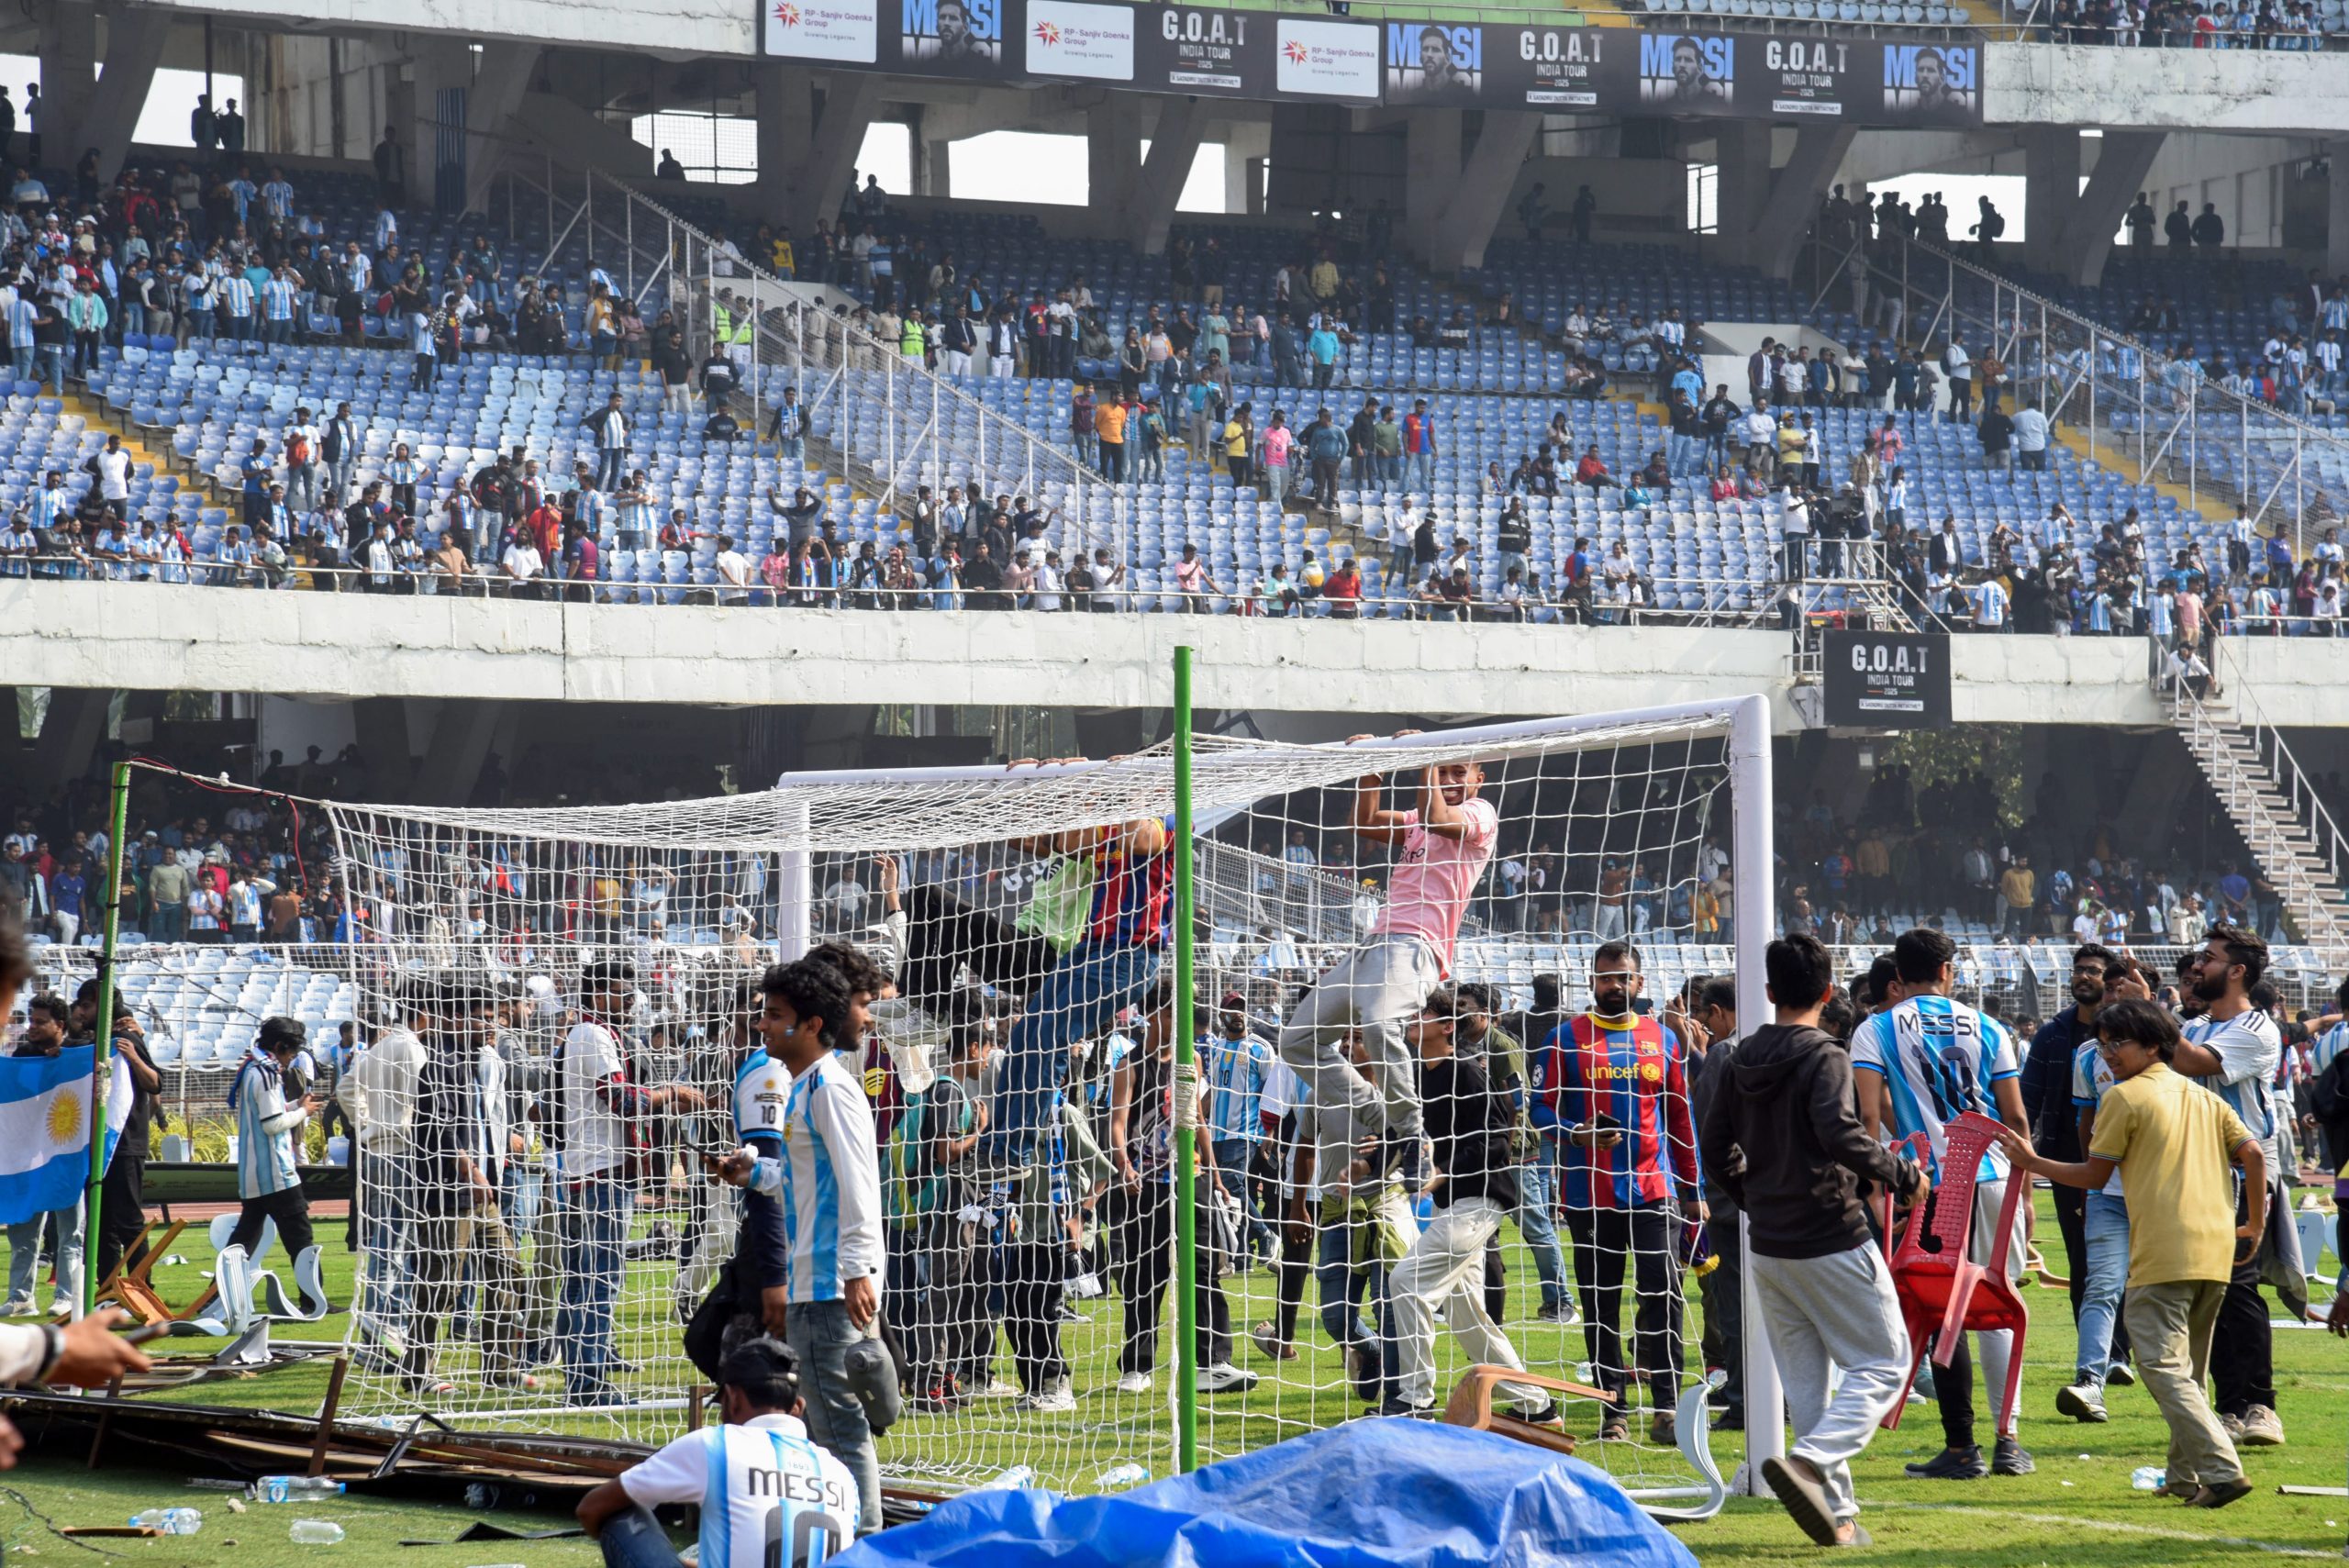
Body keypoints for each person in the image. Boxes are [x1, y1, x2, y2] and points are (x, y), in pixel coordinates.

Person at [1699, 934, 1928, 1550]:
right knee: (1886, 1363)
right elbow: (1840, 1134)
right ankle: (1810, 1461)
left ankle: (1839, 1514)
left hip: (1768, 1243)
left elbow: (1713, 1145)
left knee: (1806, 1385)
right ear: (1828, 991)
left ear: (1769, 990)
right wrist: (1903, 1174)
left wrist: (1752, 1196)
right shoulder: (1825, 1053)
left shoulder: (1738, 1056)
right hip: (1829, 1231)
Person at [1996, 999, 2266, 1510]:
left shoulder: (2123, 1097)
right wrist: (2253, 1223)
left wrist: (2032, 1162)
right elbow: (2253, 1154)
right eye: (2103, 1045)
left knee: (2161, 1367)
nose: (2108, 1054)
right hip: (2215, 1251)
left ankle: (2222, 1471)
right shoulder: (2204, 1097)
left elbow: (2095, 1176)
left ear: (2153, 1045)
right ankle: (2184, 1477)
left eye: (2118, 1043)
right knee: (2188, 1373)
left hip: (2163, 1251)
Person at [1849, 927, 2035, 1479]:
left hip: (1928, 1185)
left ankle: (1961, 1446)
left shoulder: (1876, 1028)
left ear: (1898, 976)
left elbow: (1868, 1116)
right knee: (1998, 1304)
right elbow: (2015, 1118)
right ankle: (2009, 1441)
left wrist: (1876, 1189)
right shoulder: (1990, 1027)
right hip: (1993, 1176)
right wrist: (2025, 1195)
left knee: (1939, 1306)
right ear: (1948, 971)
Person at [1277, 740, 1495, 1203]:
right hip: (1372, 944)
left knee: (1378, 1026)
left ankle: (1412, 1135)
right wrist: (1373, 766)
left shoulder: (1480, 814)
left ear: (1479, 780)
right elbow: (1365, 822)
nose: (1450, 779)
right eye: (1444, 771)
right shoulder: (1419, 819)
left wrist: (1424, 756)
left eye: (1459, 772)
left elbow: (1436, 817)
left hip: (1414, 947)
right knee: (1296, 1040)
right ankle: (1388, 1123)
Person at [716, 958, 885, 1535]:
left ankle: (862, 1545)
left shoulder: (831, 1089)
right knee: (828, 1424)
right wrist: (753, 1173)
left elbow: (859, 1183)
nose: (762, 1025)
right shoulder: (805, 1087)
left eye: (775, 1015)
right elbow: (802, 1178)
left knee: (840, 1426)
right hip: (816, 1279)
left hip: (831, 1285)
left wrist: (857, 1270)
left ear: (811, 1025)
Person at [1531, 940, 1698, 1442]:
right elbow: (1538, 1108)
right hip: (1589, 1195)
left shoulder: (1662, 1038)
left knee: (1663, 1292)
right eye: (1606, 977)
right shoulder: (1564, 1038)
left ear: (1639, 982)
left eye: (1623, 977)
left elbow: (1680, 1118)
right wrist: (1576, 1133)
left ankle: (1666, 1405)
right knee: (1600, 1304)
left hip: (1653, 1189)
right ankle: (1614, 1412)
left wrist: (1693, 1189)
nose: (1614, 986)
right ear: (1592, 982)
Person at [1383, 988, 1557, 1421]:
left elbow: (1497, 1140)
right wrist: (1367, 1164)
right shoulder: (1417, 1074)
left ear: (1447, 1027)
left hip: (1479, 1202)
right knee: (1468, 1318)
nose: (1413, 1018)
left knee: (1406, 1281)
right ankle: (1537, 1406)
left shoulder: (1467, 1072)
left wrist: (1443, 1172)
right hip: (1452, 1205)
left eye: (1423, 1013)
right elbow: (1402, 1131)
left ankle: (1416, 1399)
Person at [974, 814, 1173, 1176]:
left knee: (1051, 1038)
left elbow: (1140, 839)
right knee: (1024, 1036)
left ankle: (1015, 1153)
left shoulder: (1168, 818)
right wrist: (1072, 797)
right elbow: (1063, 842)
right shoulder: (1107, 823)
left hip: (1130, 955)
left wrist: (1122, 796)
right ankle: (996, 1146)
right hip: (1089, 948)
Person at [557, 959, 705, 1407]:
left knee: (583, 1280)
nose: (630, 1002)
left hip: (590, 1169)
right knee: (600, 1280)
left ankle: (581, 1375)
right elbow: (620, 1099)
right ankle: (588, 1383)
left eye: (631, 993)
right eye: (622, 994)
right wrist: (672, 1094)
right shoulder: (594, 1034)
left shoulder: (590, 1033)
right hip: (600, 1172)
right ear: (598, 994)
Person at [576, 1335, 860, 1568]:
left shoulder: (716, 1444)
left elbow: (591, 1509)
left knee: (619, 1512)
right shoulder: (842, 1475)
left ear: (732, 1398)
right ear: (798, 1407)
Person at [1105, 978, 1257, 1397]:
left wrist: (1216, 1176)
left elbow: (1196, 1120)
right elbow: (1117, 1123)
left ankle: (1213, 1361)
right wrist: (1124, 1164)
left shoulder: (1192, 1060)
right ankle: (1137, 1365)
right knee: (1145, 1276)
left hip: (1192, 1180)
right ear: (1154, 1015)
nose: (1182, 1021)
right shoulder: (1130, 1064)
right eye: (1174, 1013)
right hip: (1147, 1185)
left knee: (1203, 1270)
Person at [2170, 926, 2286, 1448]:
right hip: (2195, 1170)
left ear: (2237, 971)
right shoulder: (2194, 1026)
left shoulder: (2257, 1027)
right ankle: (2230, 1407)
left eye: (2210, 958)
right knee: (2207, 1289)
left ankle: (2261, 1406)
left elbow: (2192, 1063)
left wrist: (2150, 1011)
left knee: (2239, 1286)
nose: (2198, 966)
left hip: (2242, 1171)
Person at [2020, 944, 2136, 1418]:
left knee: (2144, 1272)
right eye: (2079, 970)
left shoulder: (2143, 1041)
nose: (2085, 977)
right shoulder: (2056, 1036)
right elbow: (2028, 1099)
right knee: (2086, 1266)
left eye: (2095, 972)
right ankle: (2104, 1362)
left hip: (2141, 1168)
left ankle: (2127, 1353)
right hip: (2074, 1165)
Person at [224, 1017, 322, 1320]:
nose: (292, 1058)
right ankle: (313, 1300)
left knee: (243, 1241)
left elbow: (268, 1114)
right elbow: (272, 1125)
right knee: (300, 1238)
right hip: (276, 1173)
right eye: (291, 1052)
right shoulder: (267, 1075)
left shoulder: (252, 1069)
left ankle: (215, 1297)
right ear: (279, 1046)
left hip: (253, 1173)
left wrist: (294, 1106)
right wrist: (303, 1112)